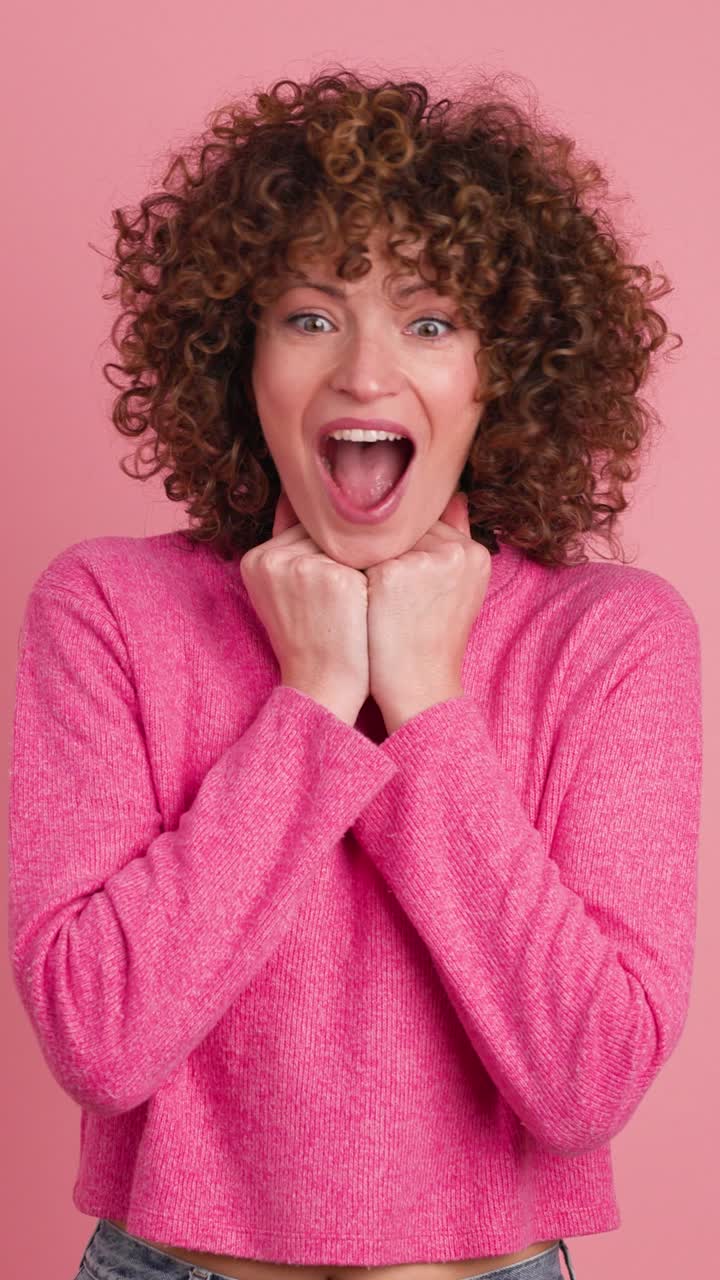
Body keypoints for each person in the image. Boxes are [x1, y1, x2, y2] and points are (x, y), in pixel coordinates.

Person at [7, 66, 702, 1280]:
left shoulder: (609, 636)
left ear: (504, 372)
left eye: (431, 321)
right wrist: (312, 703)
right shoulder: (109, 605)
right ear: (240, 357)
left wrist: (429, 702)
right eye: (312, 315)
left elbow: (586, 1082)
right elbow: (99, 1040)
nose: (367, 375)